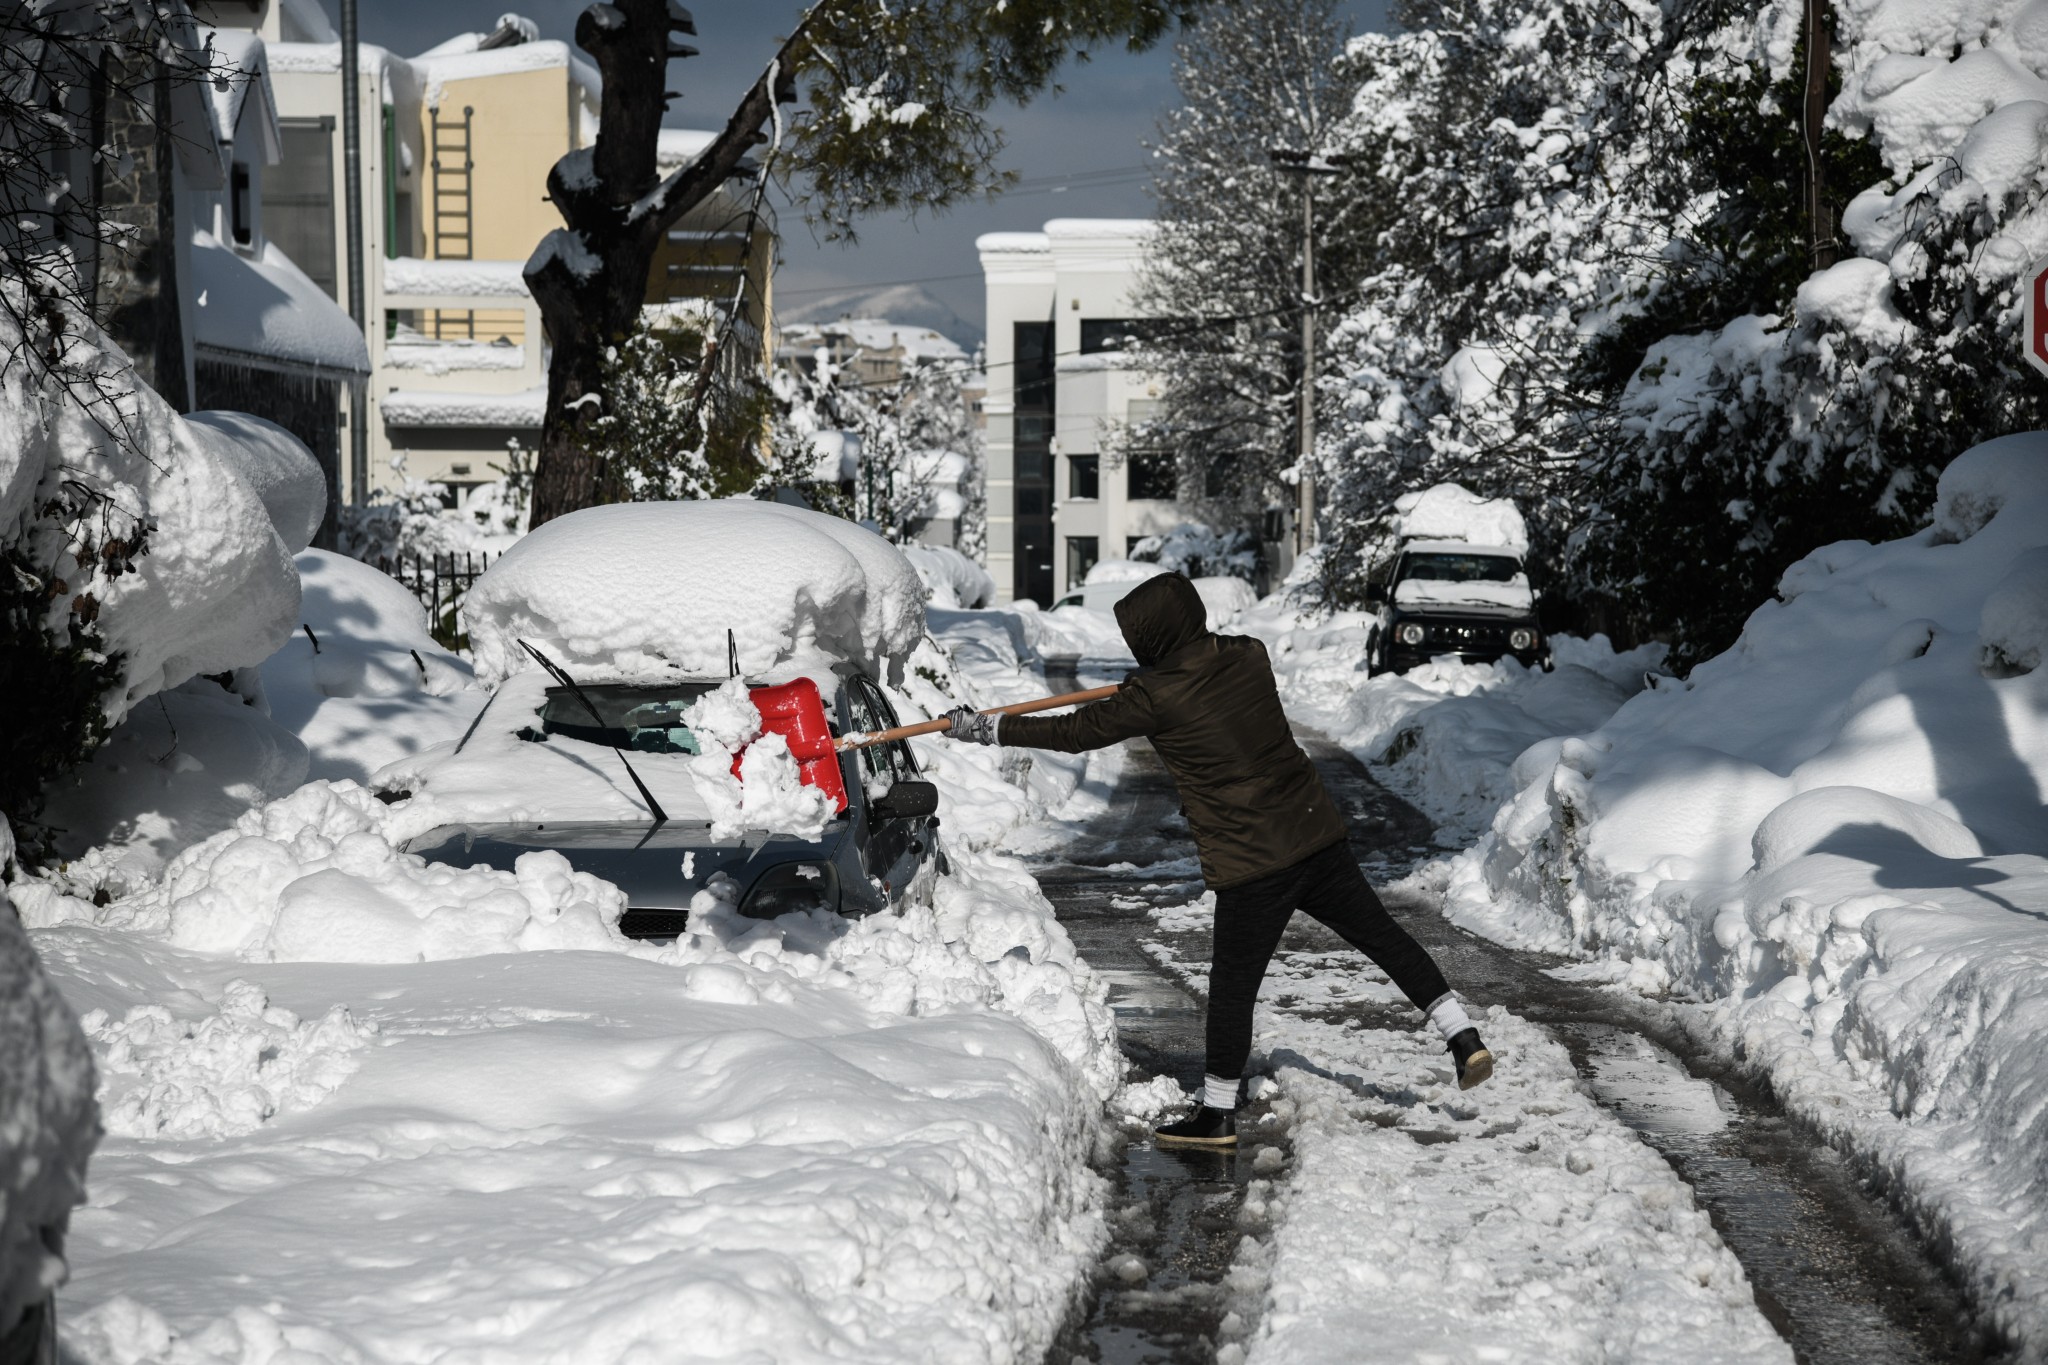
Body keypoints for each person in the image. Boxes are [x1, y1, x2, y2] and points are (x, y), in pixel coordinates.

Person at [944, 572, 1491, 1149]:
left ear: (1151, 639)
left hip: (1255, 860)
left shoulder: (1153, 698)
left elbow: (1076, 732)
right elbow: (1181, 689)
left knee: (1233, 986)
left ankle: (1218, 1114)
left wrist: (987, 726)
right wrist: (1144, 686)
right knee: (1383, 936)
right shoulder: (1248, 656)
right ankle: (1463, 1037)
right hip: (1314, 832)